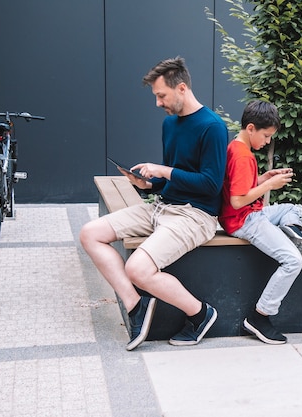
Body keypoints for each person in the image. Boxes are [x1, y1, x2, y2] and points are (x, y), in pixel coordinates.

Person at [79, 57, 228, 350]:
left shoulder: (212, 127)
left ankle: (201, 314)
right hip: (161, 205)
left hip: (196, 215)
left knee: (137, 269)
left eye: (161, 95)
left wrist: (164, 171)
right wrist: (148, 183)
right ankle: (136, 306)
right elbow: (173, 176)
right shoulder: (170, 124)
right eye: (156, 96)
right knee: (90, 234)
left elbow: (211, 184)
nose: (158, 103)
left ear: (181, 88)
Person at [218, 100, 302, 344]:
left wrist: (264, 177)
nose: (266, 142)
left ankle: (292, 232)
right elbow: (236, 201)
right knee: (293, 261)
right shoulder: (243, 156)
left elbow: (240, 186)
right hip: (245, 220)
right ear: (251, 128)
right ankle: (260, 316)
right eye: (266, 136)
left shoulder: (236, 147)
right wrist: (268, 185)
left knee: (289, 208)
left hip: (252, 214)